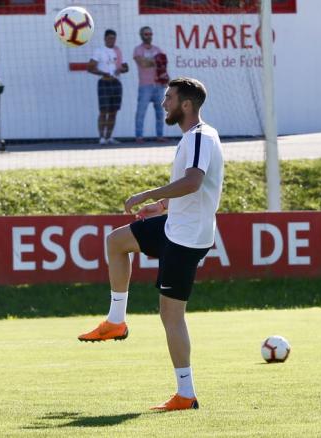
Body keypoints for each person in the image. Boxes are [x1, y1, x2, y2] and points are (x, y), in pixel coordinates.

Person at [78, 77, 224, 412]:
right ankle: (116, 321)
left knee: (171, 315)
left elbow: (194, 182)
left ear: (185, 105)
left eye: (169, 98)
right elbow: (196, 189)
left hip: (186, 239)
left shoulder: (200, 135)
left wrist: (150, 194)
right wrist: (160, 208)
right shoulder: (193, 137)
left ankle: (185, 394)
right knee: (116, 241)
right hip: (177, 226)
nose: (163, 103)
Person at [87, 29, 128, 145]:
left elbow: (126, 68)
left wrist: (122, 69)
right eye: (109, 38)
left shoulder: (117, 51)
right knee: (103, 111)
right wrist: (102, 73)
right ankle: (101, 138)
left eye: (114, 38)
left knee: (113, 112)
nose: (112, 40)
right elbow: (90, 67)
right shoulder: (99, 51)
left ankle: (109, 137)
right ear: (105, 38)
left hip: (116, 83)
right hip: (104, 82)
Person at [133, 26, 168, 144]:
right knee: (141, 112)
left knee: (160, 113)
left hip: (158, 85)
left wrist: (166, 79)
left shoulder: (158, 49)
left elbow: (163, 65)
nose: (149, 36)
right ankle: (139, 136)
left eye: (150, 34)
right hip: (145, 85)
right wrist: (155, 61)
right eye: (146, 34)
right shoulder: (137, 49)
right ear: (141, 35)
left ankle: (160, 135)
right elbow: (142, 64)